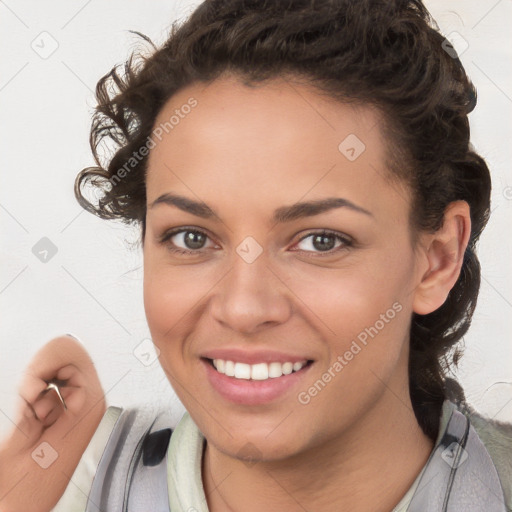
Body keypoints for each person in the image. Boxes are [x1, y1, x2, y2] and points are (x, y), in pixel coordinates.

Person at [1, 0, 511, 510]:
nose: (244, 309)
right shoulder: (61, 481)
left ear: (438, 259)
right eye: (192, 238)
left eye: (320, 241)